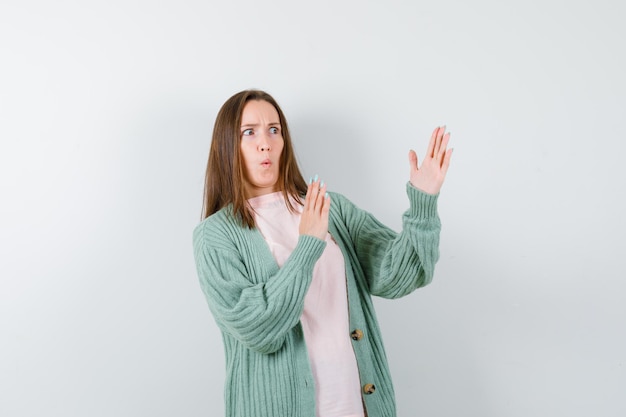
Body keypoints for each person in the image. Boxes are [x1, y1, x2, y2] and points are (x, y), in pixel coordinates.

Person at [192, 89, 452, 417]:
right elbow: (258, 330)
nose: (265, 142)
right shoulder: (215, 235)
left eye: (274, 129)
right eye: (249, 132)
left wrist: (423, 201)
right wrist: (308, 247)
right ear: (228, 146)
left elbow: (402, 274)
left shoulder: (333, 209)